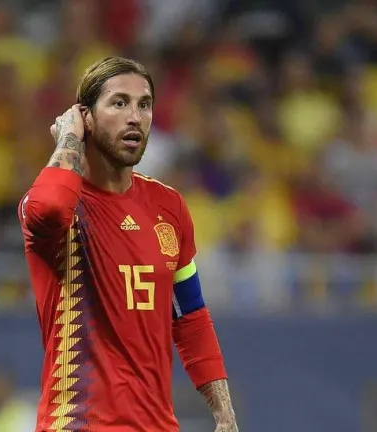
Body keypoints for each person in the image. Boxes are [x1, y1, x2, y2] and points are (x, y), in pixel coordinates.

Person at [18, 57, 238, 432]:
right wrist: (69, 138)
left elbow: (191, 316)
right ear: (85, 116)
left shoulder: (169, 207)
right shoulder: (62, 206)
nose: (135, 117)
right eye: (119, 103)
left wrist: (224, 415)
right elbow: (49, 206)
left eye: (144, 104)